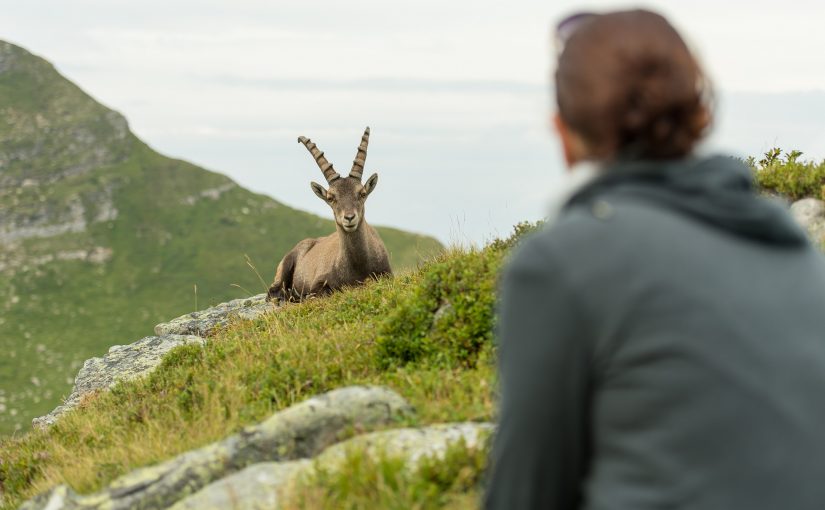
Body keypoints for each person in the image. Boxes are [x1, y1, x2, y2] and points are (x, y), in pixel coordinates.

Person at [484, 9, 825, 510]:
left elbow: (524, 495)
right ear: (696, 114)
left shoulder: (561, 266)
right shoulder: (797, 253)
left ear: (563, 133)